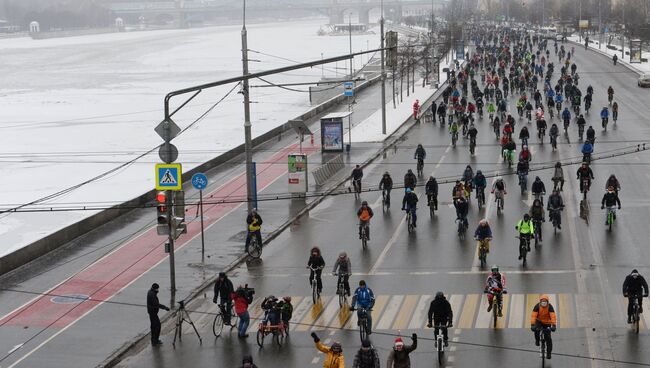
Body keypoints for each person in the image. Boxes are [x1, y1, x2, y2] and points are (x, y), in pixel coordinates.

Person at [531, 295, 557, 359]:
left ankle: (548, 353)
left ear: (547, 302)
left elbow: (553, 317)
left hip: (547, 323)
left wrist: (553, 325)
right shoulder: (537, 306)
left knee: (548, 339)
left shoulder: (550, 307)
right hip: (538, 322)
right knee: (536, 330)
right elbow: (533, 316)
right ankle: (537, 340)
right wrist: (532, 325)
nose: (544, 303)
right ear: (540, 302)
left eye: (545, 302)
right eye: (542, 302)